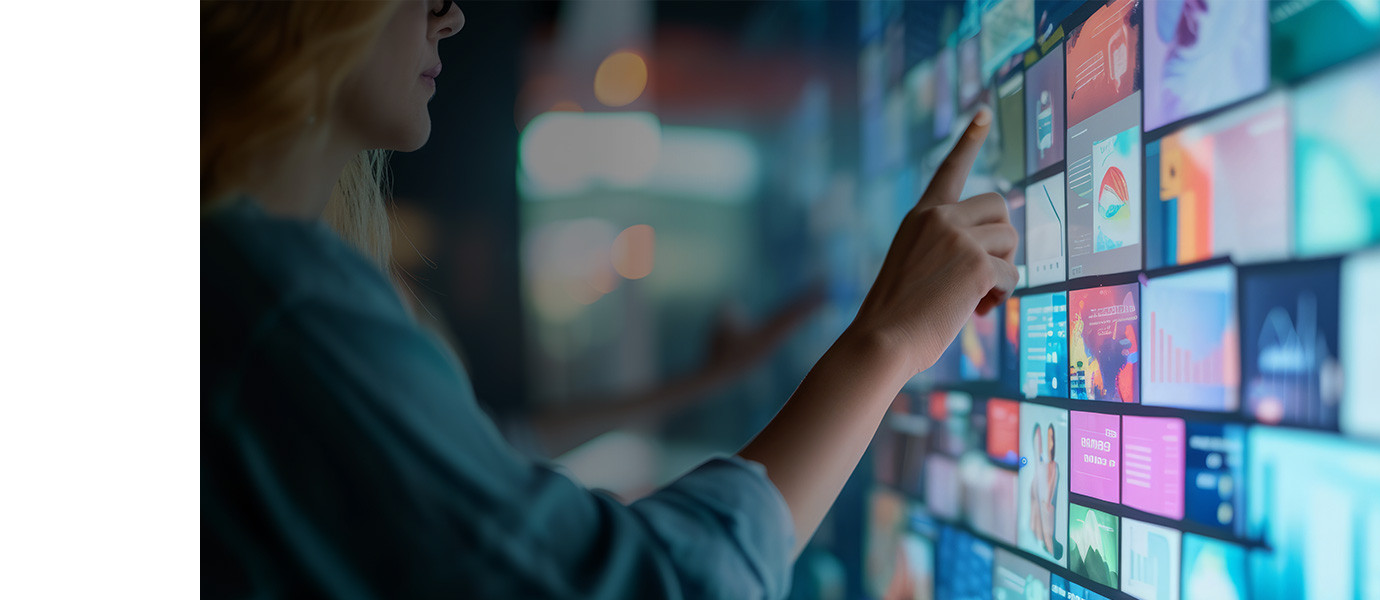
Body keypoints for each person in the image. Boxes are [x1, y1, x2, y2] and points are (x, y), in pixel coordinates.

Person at [201, 1, 1017, 598]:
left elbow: (484, 453)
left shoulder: (250, 284)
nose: (448, 17)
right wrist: (889, 341)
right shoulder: (276, 304)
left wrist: (697, 383)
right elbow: (652, 588)